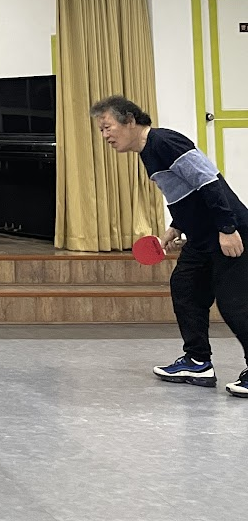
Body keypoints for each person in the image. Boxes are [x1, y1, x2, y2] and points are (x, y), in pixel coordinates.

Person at [91, 95, 248, 398]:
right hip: (202, 237)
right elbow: (187, 194)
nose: (105, 135)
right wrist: (175, 227)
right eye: (101, 130)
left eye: (108, 127)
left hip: (230, 232)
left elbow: (208, 182)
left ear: (130, 120)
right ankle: (198, 362)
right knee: (185, 288)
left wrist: (228, 228)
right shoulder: (148, 152)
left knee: (235, 303)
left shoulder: (164, 141)